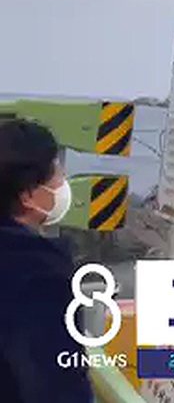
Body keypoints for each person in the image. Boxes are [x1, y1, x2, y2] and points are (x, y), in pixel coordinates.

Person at [0, 118, 94, 402]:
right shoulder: (38, 275)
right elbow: (55, 383)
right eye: (55, 171)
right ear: (28, 195)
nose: (63, 178)